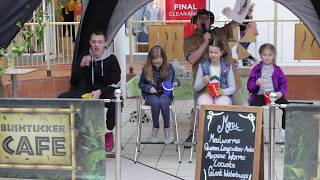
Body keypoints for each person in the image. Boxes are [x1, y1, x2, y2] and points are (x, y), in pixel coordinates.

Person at [183, 8, 241, 147]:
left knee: (236, 106)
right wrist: (204, 42)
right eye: (200, 18)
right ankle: (194, 134)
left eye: (206, 18)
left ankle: (237, 134)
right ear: (195, 21)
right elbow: (191, 59)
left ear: (211, 21)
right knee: (200, 107)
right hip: (203, 82)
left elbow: (236, 22)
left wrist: (242, 7)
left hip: (227, 79)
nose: (204, 20)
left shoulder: (220, 32)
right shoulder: (190, 40)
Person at [58, 30, 121, 151]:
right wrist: (80, 67)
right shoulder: (84, 56)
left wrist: (100, 92)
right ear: (90, 43)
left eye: (100, 42)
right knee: (62, 98)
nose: (97, 45)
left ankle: (108, 132)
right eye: (94, 42)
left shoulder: (112, 59)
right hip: (87, 92)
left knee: (117, 100)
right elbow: (73, 81)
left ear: (105, 43)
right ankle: (79, 130)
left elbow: (116, 83)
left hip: (105, 91)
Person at [138, 46, 177, 144]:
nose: (157, 65)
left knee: (163, 100)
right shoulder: (146, 68)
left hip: (165, 95)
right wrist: (149, 88)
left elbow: (174, 80)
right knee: (156, 102)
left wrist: (175, 83)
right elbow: (141, 84)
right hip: (151, 95)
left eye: (159, 63)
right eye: (154, 63)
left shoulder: (169, 67)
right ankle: (155, 128)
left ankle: (167, 128)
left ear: (163, 59)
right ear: (150, 60)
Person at [247, 43, 288, 128]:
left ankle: (284, 129)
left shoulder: (277, 70)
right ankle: (254, 130)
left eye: (270, 55)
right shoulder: (256, 69)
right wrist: (256, 83)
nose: (267, 57)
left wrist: (281, 93)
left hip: (274, 95)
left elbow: (283, 83)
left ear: (273, 56)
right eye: (264, 55)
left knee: (286, 107)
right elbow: (249, 87)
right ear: (261, 56)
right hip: (260, 95)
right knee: (253, 108)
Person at [194, 40, 236, 105]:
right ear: (208, 53)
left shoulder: (227, 67)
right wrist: (203, 82)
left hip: (222, 94)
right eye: (211, 52)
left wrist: (223, 92)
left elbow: (233, 87)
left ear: (221, 53)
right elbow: (196, 88)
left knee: (221, 104)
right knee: (204, 104)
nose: (213, 55)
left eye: (216, 52)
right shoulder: (203, 66)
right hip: (206, 93)